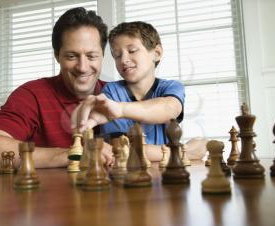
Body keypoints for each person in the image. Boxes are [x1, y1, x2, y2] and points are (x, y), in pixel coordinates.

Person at [0, 7, 114, 170]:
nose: (82, 67)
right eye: (71, 56)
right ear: (57, 55)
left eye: (91, 56)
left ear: (102, 55)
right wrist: (75, 154)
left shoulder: (118, 96)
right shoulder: (30, 95)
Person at [72, 21, 207, 161]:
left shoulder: (171, 87)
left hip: (164, 176)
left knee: (203, 142)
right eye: (117, 55)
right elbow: (124, 150)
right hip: (126, 176)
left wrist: (121, 110)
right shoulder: (111, 92)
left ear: (157, 53)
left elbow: (169, 109)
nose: (124, 59)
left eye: (132, 51)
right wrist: (181, 152)